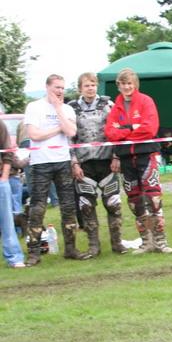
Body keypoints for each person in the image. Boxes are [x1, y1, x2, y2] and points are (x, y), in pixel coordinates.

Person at [104, 68, 172, 254]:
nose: (127, 87)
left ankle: (160, 242)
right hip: (126, 158)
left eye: (129, 83)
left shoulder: (145, 101)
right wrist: (131, 129)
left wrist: (124, 132)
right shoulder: (116, 107)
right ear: (118, 86)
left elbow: (150, 129)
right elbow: (110, 133)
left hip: (146, 155)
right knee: (134, 201)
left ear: (135, 84)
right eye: (123, 84)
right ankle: (146, 242)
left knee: (153, 198)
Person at [23, 74, 91, 266]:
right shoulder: (34, 107)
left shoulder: (67, 109)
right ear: (47, 87)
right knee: (38, 207)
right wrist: (57, 129)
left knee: (68, 206)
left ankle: (71, 249)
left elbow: (71, 132)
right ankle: (34, 253)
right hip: (40, 163)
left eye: (62, 87)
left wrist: (58, 109)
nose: (60, 91)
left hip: (63, 161)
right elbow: (34, 135)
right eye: (57, 87)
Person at [68, 72, 126, 257]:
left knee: (114, 204)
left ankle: (117, 243)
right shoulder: (71, 109)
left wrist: (117, 156)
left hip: (107, 161)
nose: (90, 88)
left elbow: (117, 131)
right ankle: (94, 246)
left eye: (93, 84)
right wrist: (74, 163)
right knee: (86, 206)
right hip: (84, 163)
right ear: (80, 88)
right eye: (86, 85)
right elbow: (69, 138)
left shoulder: (108, 105)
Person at [0, 120, 25, 268]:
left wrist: (4, 177)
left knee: (7, 222)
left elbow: (7, 152)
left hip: (1, 180)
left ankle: (15, 257)